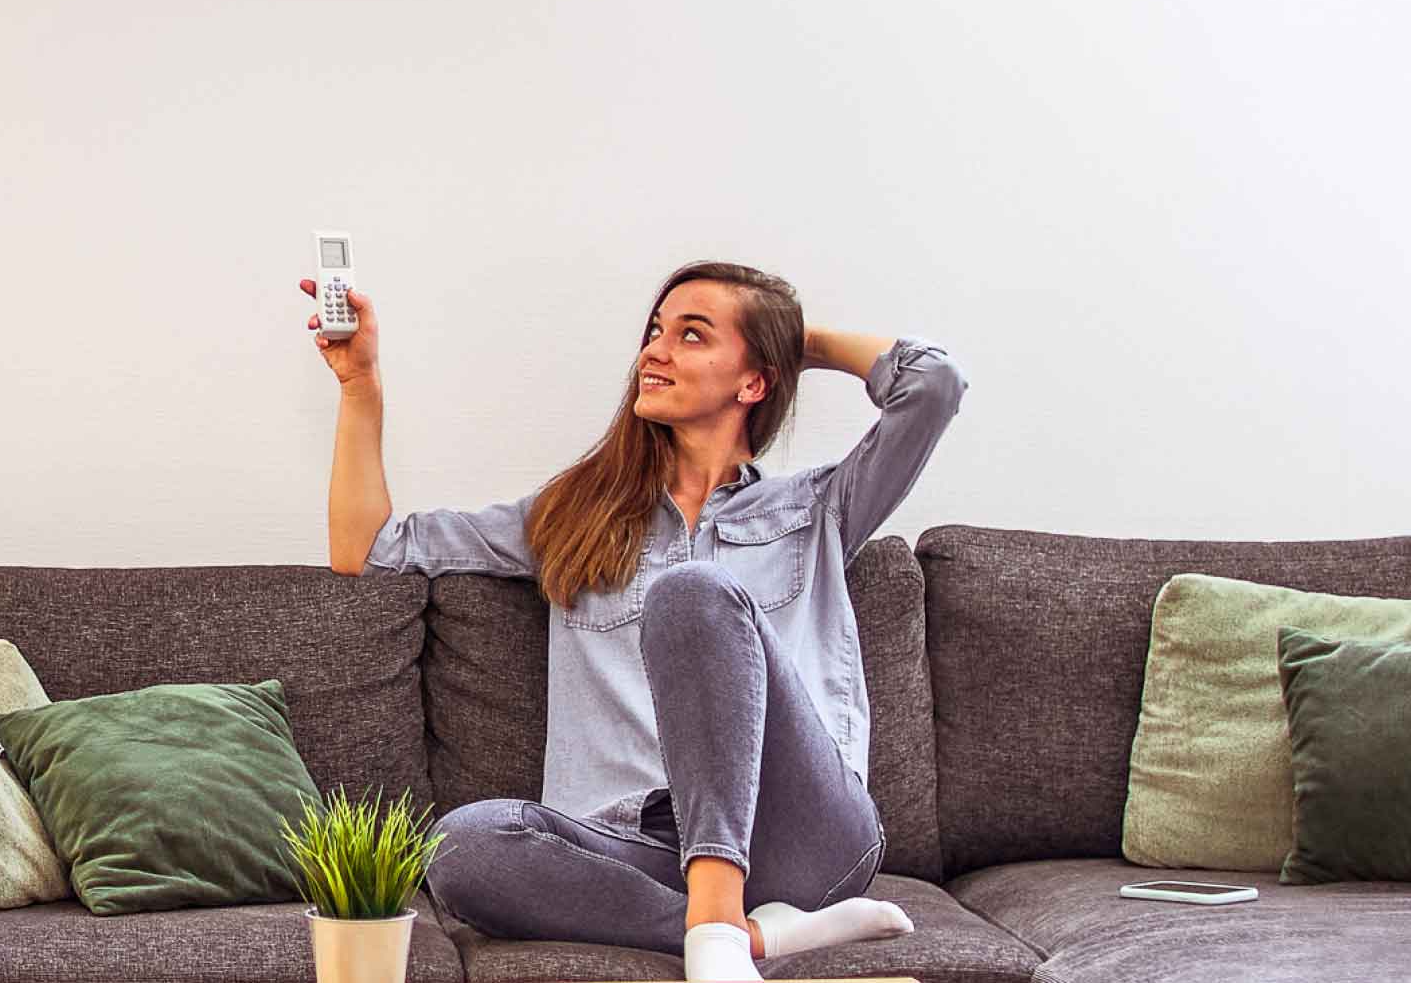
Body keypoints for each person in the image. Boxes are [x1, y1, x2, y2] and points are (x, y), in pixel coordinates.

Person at [302, 261, 967, 983]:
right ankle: (743, 935)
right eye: (655, 331)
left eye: (691, 335)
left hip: (802, 839)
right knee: (458, 845)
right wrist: (358, 385)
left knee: (695, 594)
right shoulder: (572, 516)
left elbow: (934, 385)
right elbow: (366, 548)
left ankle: (715, 929)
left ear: (754, 382)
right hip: (637, 845)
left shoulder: (819, 510)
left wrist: (793, 341)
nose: (654, 350)